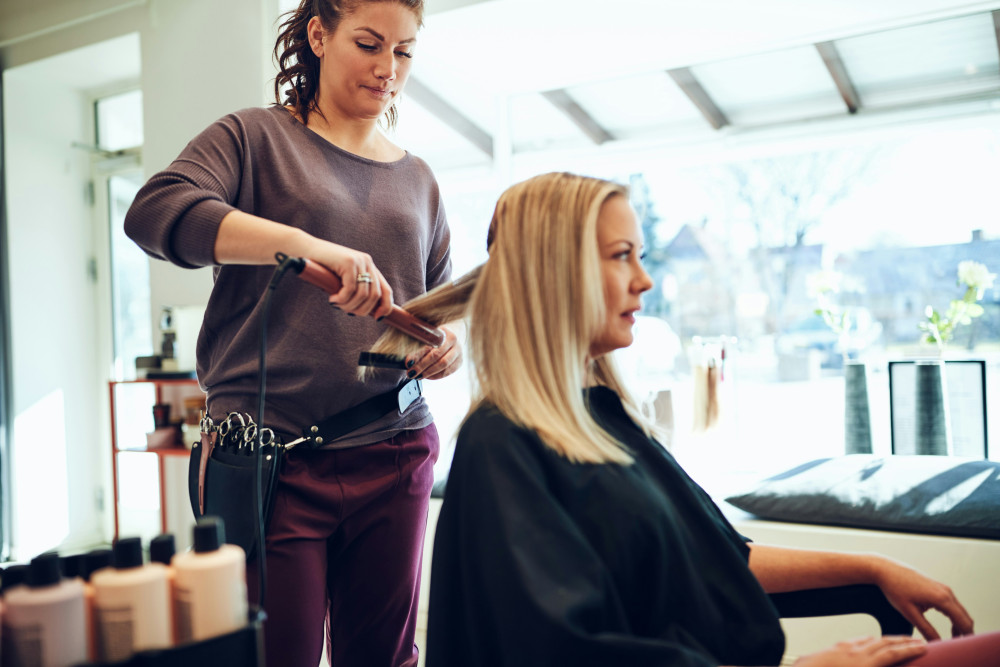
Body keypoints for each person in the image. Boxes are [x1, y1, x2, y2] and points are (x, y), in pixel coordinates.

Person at [364, 172, 1000, 667]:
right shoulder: (504, 446)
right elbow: (563, 652)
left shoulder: (604, 418)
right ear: (555, 273)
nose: (644, 280)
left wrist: (871, 568)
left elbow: (720, 558)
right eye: (622, 256)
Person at [124, 1, 461, 665]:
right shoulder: (255, 139)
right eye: (369, 43)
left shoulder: (419, 179)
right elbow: (156, 213)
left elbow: (432, 313)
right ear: (318, 34)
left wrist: (444, 346)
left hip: (394, 450)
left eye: (403, 52)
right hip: (268, 460)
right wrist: (307, 248)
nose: (388, 69)